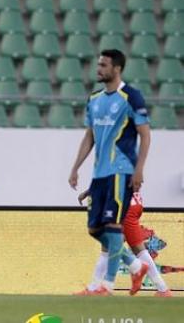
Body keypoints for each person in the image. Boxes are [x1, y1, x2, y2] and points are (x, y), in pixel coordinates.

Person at [68, 49, 150, 296]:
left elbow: (145, 135)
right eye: (98, 64)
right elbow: (89, 136)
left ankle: (107, 285)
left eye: (103, 65)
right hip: (100, 174)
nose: (98, 69)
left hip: (121, 170)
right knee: (95, 229)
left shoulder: (131, 96)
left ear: (117, 68)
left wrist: (139, 170)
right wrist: (75, 168)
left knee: (113, 227)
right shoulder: (94, 99)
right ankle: (136, 266)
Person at [76, 191, 172, 297]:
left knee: (109, 246)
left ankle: (96, 288)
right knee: (134, 249)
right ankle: (163, 289)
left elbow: (109, 178)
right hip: (134, 202)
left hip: (123, 205)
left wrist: (87, 193)